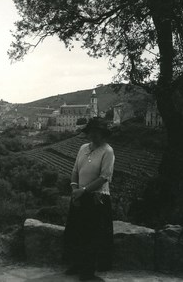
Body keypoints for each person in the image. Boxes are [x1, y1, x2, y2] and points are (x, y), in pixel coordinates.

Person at [63, 118, 115, 281]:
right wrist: (74, 191)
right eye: (91, 132)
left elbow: (104, 177)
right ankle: (77, 265)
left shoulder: (108, 151)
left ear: (103, 134)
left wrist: (83, 191)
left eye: (97, 132)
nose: (93, 135)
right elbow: (75, 171)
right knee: (76, 231)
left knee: (91, 236)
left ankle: (87, 272)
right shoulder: (83, 148)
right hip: (79, 195)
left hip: (96, 198)